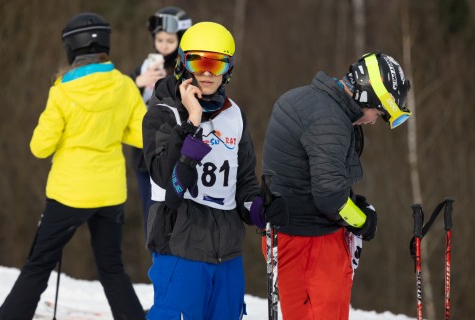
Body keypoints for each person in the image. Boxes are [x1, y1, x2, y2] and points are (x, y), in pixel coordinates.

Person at [0, 12, 146, 320]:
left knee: (38, 266)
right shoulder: (125, 86)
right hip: (110, 195)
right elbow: (141, 135)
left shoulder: (62, 91)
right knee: (112, 269)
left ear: (71, 48)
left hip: (69, 195)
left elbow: (40, 147)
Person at [142, 21, 288, 320]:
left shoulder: (235, 115)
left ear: (228, 70)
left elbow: (244, 181)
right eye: (199, 62)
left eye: (216, 64)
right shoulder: (163, 112)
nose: (207, 73)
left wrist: (257, 208)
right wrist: (192, 124)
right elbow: (164, 176)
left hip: (227, 254)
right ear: (183, 64)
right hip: (180, 248)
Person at [261, 51, 411, 320]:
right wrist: (363, 220)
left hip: (285, 236)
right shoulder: (330, 121)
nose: (374, 120)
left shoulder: (305, 98)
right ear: (366, 96)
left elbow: (314, 174)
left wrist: (352, 200)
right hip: (311, 245)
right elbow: (330, 197)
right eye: (378, 112)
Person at [129, 7, 192, 234]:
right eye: (159, 39)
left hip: (177, 149)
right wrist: (138, 81)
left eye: (170, 40)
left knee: (178, 212)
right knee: (151, 214)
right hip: (145, 154)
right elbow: (121, 98)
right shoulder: (146, 67)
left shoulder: (186, 69)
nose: (163, 45)